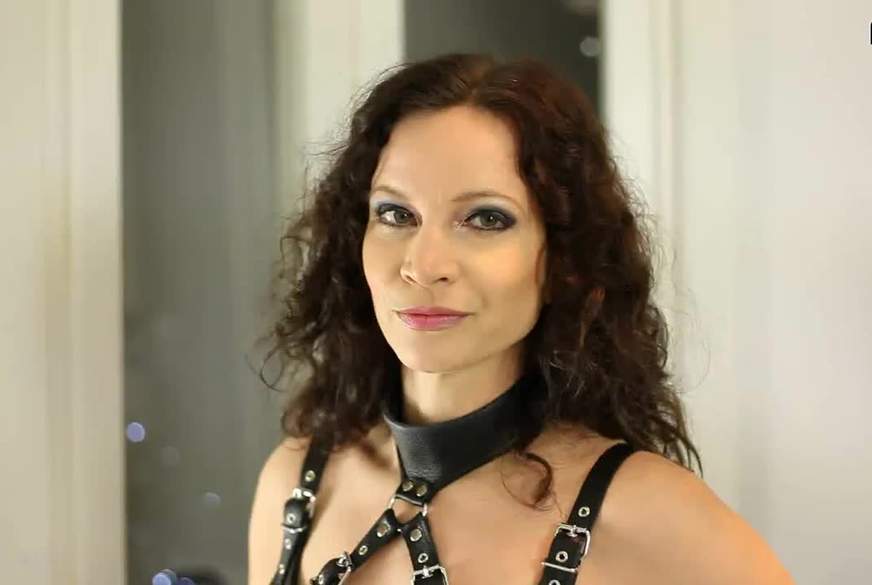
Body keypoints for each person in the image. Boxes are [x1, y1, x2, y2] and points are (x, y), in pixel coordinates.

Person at [247, 53, 795, 585]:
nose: (423, 265)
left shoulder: (652, 520)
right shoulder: (297, 483)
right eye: (395, 213)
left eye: (486, 219)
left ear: (565, 262)